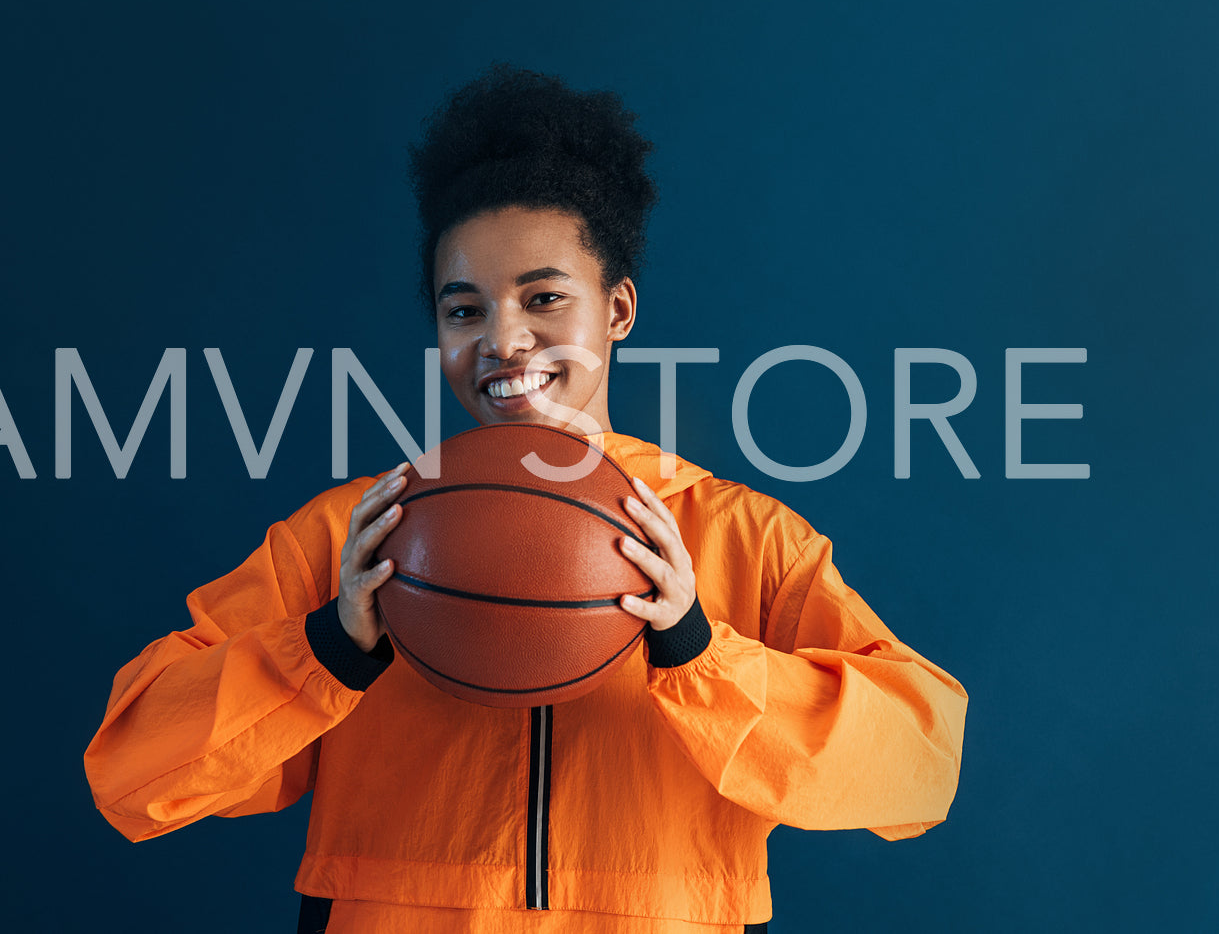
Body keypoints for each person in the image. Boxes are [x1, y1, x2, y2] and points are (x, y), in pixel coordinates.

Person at [83, 64, 968, 933]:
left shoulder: (735, 534)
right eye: (463, 311)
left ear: (616, 309)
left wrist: (700, 655)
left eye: (543, 298)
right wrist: (327, 648)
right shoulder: (358, 535)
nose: (504, 340)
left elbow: (921, 767)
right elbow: (130, 771)